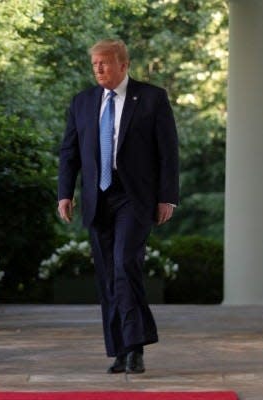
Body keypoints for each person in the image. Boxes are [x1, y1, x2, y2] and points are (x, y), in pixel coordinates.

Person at [57, 39, 179, 374]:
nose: (98, 69)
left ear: (123, 65)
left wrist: (167, 196)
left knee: (125, 265)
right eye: (94, 63)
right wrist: (64, 194)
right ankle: (121, 348)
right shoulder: (82, 102)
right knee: (109, 276)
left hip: (134, 198)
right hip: (98, 199)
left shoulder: (151, 98)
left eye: (105, 63)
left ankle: (135, 347)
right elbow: (69, 152)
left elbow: (168, 152)